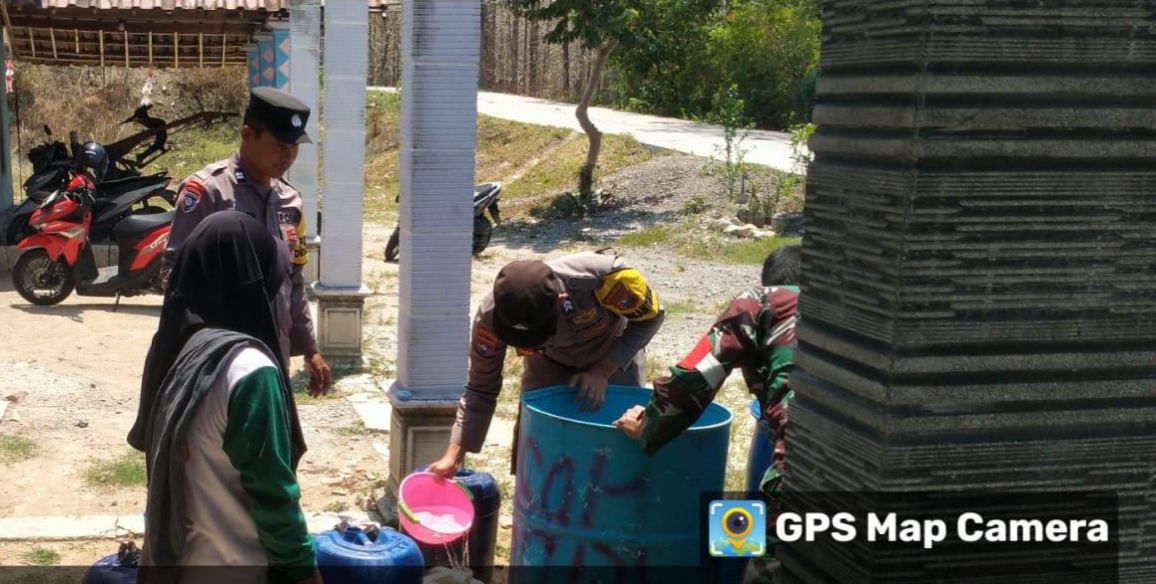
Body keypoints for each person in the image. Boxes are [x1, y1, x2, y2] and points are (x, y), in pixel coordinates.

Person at [128, 211, 321, 584]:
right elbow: (273, 496)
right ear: (252, 283)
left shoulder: (179, 350)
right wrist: (307, 573)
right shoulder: (249, 372)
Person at [429, 249, 666, 479]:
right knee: (538, 447)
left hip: (614, 353)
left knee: (623, 442)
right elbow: (481, 386)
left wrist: (603, 369)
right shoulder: (491, 316)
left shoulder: (603, 278)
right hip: (548, 362)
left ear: (560, 301)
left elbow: (651, 317)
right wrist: (454, 454)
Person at [162, 87, 330, 398]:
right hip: (218, 354)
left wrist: (309, 348)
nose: (288, 156)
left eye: (294, 147)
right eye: (279, 145)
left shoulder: (290, 201)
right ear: (247, 134)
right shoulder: (208, 191)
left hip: (272, 351)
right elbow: (173, 272)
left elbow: (293, 279)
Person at [614, 244, 802, 499]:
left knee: (747, 530)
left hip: (805, 457)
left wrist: (647, 424)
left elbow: (695, 377)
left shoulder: (766, 301)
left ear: (768, 283)